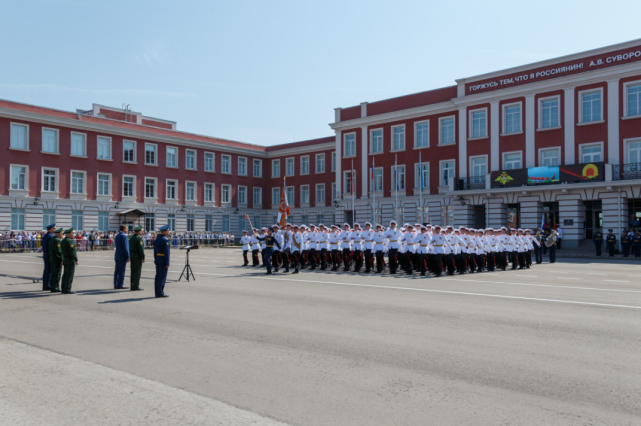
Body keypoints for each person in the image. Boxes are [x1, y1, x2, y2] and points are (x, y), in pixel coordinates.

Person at [153, 225, 171, 298]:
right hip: (163, 260)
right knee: (162, 277)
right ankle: (160, 292)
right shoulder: (165, 240)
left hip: (157, 259)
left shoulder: (157, 239)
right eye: (168, 231)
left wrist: (156, 258)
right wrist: (167, 262)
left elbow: (155, 251)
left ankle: (157, 292)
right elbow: (167, 252)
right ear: (166, 232)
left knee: (157, 276)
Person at [60, 228, 78, 294]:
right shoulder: (69, 241)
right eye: (73, 233)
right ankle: (67, 289)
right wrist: (76, 259)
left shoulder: (63, 241)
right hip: (70, 260)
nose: (74, 234)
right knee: (69, 275)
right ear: (69, 234)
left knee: (65, 275)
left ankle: (63, 288)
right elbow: (72, 252)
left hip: (65, 259)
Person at [114, 225, 130, 289]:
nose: (127, 230)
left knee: (117, 271)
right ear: (124, 229)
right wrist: (128, 256)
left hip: (117, 255)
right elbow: (125, 248)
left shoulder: (117, 236)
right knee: (122, 271)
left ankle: (116, 284)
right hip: (122, 256)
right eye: (126, 229)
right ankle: (120, 284)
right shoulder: (124, 236)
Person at [129, 225, 145, 291]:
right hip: (137, 256)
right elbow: (141, 249)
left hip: (132, 255)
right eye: (141, 231)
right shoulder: (139, 238)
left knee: (132, 271)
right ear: (139, 231)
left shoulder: (132, 238)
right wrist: (143, 257)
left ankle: (132, 285)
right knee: (137, 271)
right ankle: (136, 286)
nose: (141, 232)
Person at [48, 228, 64, 292]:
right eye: (62, 234)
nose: (62, 235)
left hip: (52, 258)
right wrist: (61, 260)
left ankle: (52, 286)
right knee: (57, 273)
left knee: (53, 273)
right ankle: (55, 287)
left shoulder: (52, 239)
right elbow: (59, 251)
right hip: (56, 259)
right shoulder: (57, 240)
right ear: (59, 234)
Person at [41, 223, 55, 291]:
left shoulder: (46, 235)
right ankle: (47, 285)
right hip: (49, 255)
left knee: (46, 270)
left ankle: (45, 285)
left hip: (45, 254)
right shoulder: (50, 236)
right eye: (54, 229)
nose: (55, 230)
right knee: (49, 271)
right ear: (51, 229)